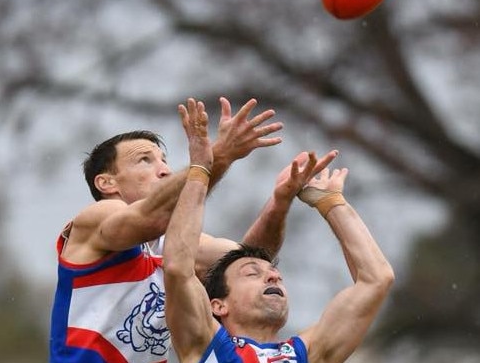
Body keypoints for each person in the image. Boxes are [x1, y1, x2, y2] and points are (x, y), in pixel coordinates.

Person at [49, 96, 337, 363]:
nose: (164, 170)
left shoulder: (172, 246)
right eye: (145, 160)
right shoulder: (98, 217)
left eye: (164, 160)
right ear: (107, 183)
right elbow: (151, 219)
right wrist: (216, 157)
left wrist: (280, 201)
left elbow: (251, 262)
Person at [163, 98, 394, 363]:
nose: (273, 277)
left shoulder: (305, 354)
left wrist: (331, 202)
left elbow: (377, 279)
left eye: (275, 274)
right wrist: (201, 170)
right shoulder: (204, 343)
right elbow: (177, 267)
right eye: (252, 273)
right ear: (218, 305)